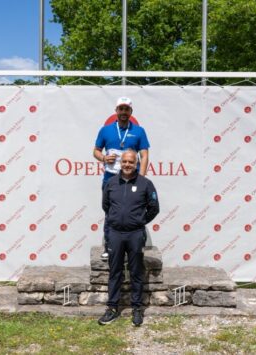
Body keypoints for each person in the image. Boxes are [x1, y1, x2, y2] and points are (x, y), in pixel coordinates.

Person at [97, 150, 159, 326]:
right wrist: (117, 220)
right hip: (115, 234)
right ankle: (112, 308)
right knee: (114, 271)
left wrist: (139, 222)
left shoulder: (145, 184)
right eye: (124, 161)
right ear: (120, 163)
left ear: (136, 164)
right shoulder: (110, 183)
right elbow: (106, 206)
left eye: (131, 162)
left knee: (136, 272)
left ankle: (137, 308)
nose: (127, 165)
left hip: (135, 234)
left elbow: (154, 208)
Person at [93, 97, 150, 260]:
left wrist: (142, 178)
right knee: (111, 212)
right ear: (116, 111)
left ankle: (138, 244)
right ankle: (109, 246)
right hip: (111, 179)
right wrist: (103, 158)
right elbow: (95, 151)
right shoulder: (105, 130)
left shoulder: (139, 131)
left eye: (127, 109)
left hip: (133, 178)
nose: (124, 112)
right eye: (121, 109)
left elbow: (144, 155)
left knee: (136, 209)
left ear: (131, 112)